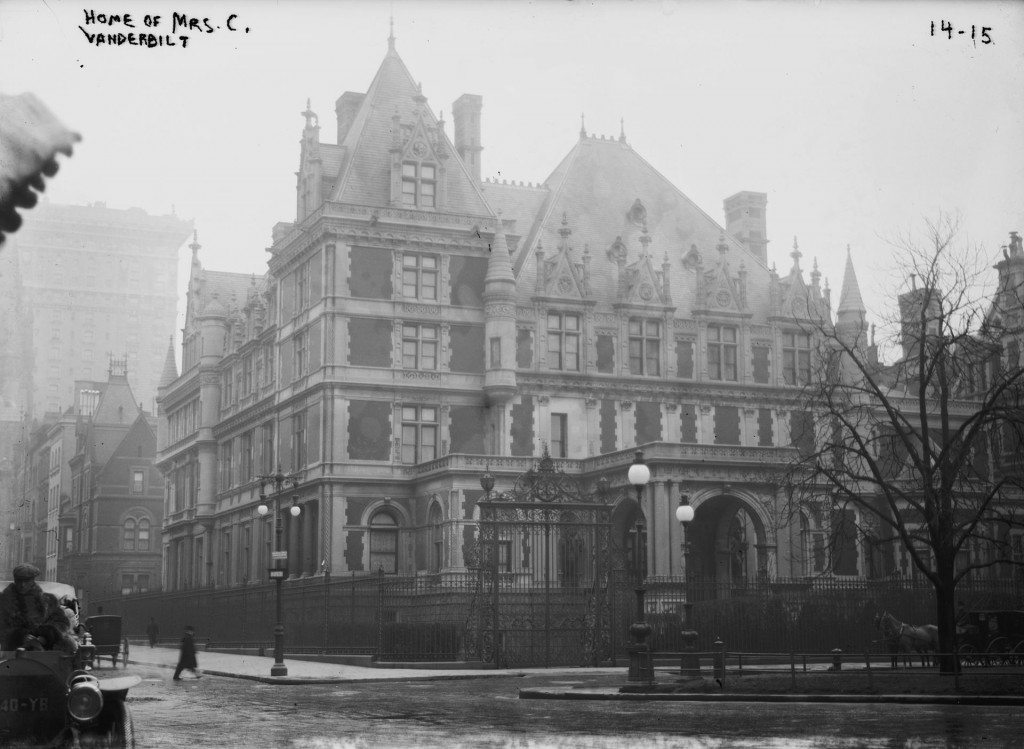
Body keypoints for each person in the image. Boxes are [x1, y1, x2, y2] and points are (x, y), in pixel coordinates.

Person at [0, 563, 76, 652]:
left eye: (26, 581)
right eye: (19, 581)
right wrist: (21, 637)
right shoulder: (3, 601)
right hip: (13, 652)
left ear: (33, 581)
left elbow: (61, 623)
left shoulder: (49, 600)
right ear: (15, 580)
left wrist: (46, 637)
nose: (22, 585)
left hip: (45, 650)